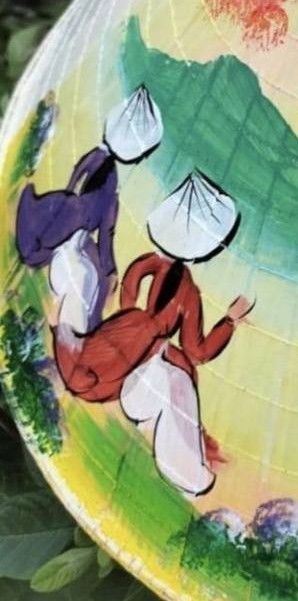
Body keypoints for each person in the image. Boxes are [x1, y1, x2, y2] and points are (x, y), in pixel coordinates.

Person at [53, 172, 252, 496]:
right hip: (131, 375)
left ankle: (189, 470)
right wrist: (229, 321)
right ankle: (190, 473)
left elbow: (129, 291)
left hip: (106, 353)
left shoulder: (150, 265)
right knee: (179, 383)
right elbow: (197, 351)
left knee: (174, 378)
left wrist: (132, 321)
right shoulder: (187, 292)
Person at [16, 86, 163, 333]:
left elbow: (74, 182)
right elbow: (106, 234)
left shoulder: (95, 158)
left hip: (52, 213)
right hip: (64, 232)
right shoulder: (110, 185)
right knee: (96, 284)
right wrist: (111, 271)